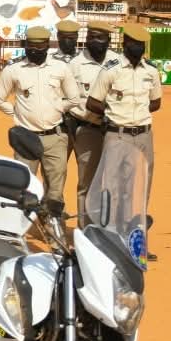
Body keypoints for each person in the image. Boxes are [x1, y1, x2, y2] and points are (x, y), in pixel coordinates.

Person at [86, 23, 162, 258]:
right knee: (113, 189)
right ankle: (112, 241)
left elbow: (156, 102)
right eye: (133, 43)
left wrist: (137, 112)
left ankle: (136, 243)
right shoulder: (111, 69)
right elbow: (92, 101)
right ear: (125, 43)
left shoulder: (151, 71)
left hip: (143, 136)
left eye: (140, 44)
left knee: (140, 190)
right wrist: (112, 112)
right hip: (116, 134)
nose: (137, 47)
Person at [0, 26, 81, 216]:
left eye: (40, 47)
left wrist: (58, 108)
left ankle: (54, 230)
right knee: (24, 188)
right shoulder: (13, 69)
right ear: (25, 46)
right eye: (31, 47)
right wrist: (16, 112)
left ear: (47, 46)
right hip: (26, 138)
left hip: (55, 138)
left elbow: (74, 99)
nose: (35, 51)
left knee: (55, 193)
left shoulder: (60, 68)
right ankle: (23, 227)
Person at [65, 21, 121, 225]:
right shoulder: (75, 64)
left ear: (108, 40)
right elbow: (67, 97)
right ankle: (86, 229)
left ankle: (112, 228)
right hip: (88, 130)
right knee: (87, 183)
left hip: (116, 130)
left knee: (116, 183)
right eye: (90, 37)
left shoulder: (118, 62)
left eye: (99, 37)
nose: (93, 41)